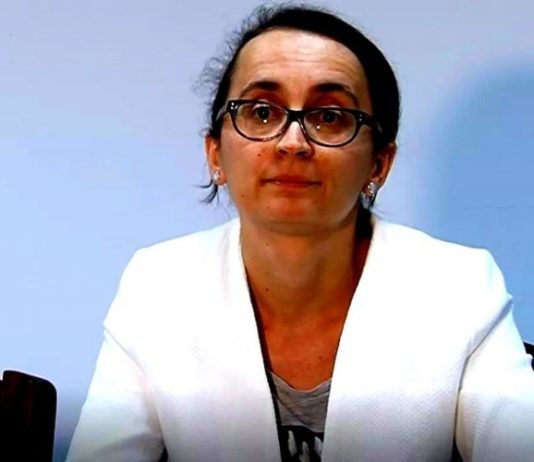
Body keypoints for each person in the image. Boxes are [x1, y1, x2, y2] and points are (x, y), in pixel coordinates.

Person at [67, 5, 534, 462]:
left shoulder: (460, 286)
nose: (292, 143)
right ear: (215, 153)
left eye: (329, 116)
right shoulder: (157, 285)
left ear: (379, 164)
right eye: (261, 112)